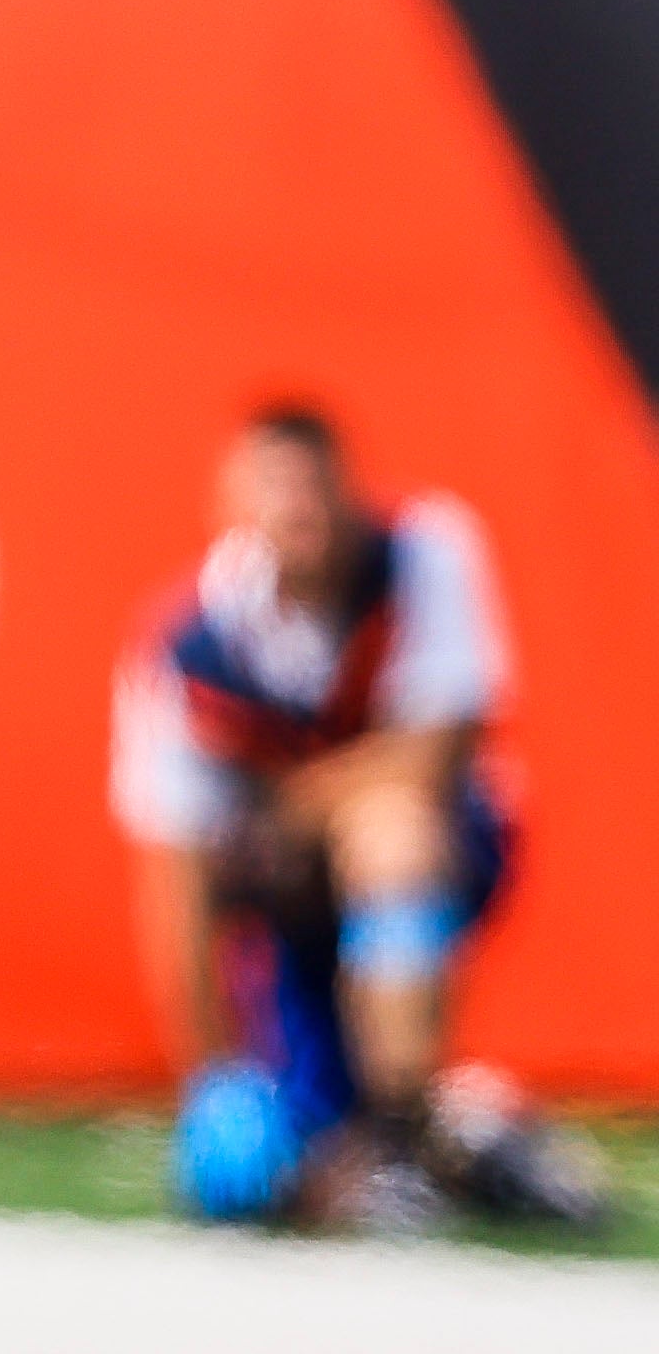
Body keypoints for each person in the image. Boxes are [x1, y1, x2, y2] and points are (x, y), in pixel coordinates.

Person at [113, 405, 602, 1231]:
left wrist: (284, 814)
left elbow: (436, 751)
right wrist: (216, 1078)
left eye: (314, 486)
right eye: (276, 488)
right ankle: (472, 1138)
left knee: (391, 829)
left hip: (438, 851)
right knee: (269, 1180)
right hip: (290, 906)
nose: (299, 509)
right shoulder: (187, 648)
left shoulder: (423, 557)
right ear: (232, 505)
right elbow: (178, 877)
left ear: (349, 486)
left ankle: (404, 1138)